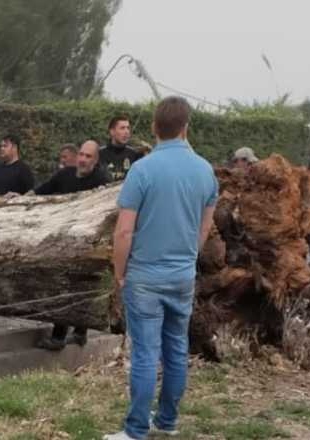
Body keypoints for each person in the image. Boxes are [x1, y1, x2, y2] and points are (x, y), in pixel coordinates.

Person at [105, 97, 218, 440]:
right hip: (182, 275)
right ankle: (167, 421)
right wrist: (187, 260)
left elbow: (124, 230)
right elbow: (204, 229)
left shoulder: (142, 170)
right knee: (176, 349)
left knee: (144, 353)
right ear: (186, 128)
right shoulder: (205, 170)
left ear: (155, 128)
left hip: (144, 276)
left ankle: (136, 430)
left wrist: (119, 271)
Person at [34, 139, 111, 350]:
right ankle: (79, 332)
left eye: (89, 157)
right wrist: (19, 199)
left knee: (73, 286)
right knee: (75, 287)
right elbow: (41, 191)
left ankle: (60, 337)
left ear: (96, 161)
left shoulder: (102, 180)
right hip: (64, 240)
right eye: (82, 155)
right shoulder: (65, 174)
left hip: (88, 243)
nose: (83, 160)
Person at [99, 115, 143, 181]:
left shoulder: (133, 154)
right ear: (112, 131)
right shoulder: (100, 154)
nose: (126, 132)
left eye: (128, 128)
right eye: (122, 128)